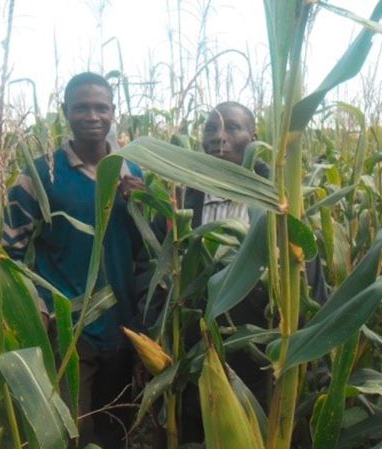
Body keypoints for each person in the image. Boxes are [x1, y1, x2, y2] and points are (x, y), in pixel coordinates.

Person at [139, 101, 327, 445]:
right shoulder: (180, 202)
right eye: (210, 129)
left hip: (265, 355)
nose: (219, 138)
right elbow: (157, 270)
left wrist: (311, 352)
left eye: (233, 128)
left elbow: (309, 279)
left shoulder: (280, 200)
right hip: (196, 355)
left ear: (254, 138)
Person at [2, 72, 144, 449]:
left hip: (123, 325)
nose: (92, 116)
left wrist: (142, 204)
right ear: (65, 111)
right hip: (69, 328)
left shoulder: (134, 170)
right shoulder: (39, 173)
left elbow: (152, 251)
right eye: (82, 107)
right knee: (72, 433)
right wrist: (39, 308)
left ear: (114, 112)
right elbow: (8, 254)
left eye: (101, 107)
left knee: (118, 430)